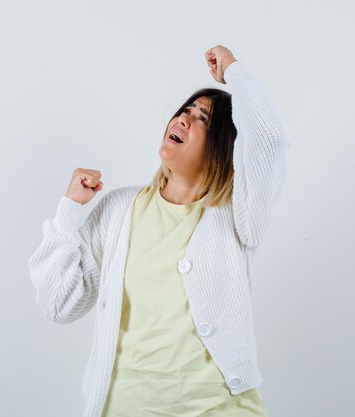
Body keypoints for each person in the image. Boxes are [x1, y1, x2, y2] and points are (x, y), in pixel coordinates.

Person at [28, 44, 292, 417]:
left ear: (221, 147)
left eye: (202, 119)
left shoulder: (238, 214)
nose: (183, 119)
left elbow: (269, 139)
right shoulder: (120, 209)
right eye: (184, 111)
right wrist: (69, 212)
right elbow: (58, 304)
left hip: (219, 407)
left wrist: (235, 72)